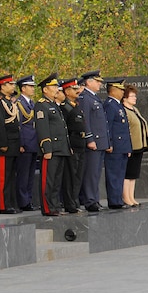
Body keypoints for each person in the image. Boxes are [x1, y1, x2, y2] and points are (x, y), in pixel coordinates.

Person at [33, 73, 69, 216]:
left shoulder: (54, 105)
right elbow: (42, 129)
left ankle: (55, 206)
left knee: (56, 181)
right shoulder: (41, 106)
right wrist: (46, 148)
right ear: (45, 89)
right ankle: (48, 208)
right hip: (51, 149)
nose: (56, 89)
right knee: (48, 180)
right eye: (53, 86)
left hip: (60, 149)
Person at [77, 70, 108, 212]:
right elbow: (85, 121)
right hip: (93, 142)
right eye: (97, 81)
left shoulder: (94, 98)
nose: (99, 84)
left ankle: (95, 199)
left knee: (96, 173)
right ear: (88, 82)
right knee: (90, 173)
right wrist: (89, 138)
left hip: (100, 142)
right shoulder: (84, 98)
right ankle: (90, 200)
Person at [0, 74, 20, 214]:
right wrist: (3, 143)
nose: (13, 86)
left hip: (14, 144)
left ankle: (12, 203)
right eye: (10, 84)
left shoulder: (10, 102)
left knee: (12, 177)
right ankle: (4, 206)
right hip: (5, 145)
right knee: (4, 177)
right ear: (2, 86)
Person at [58, 77, 87, 214]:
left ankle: (75, 201)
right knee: (70, 176)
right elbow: (64, 129)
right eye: (74, 89)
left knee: (78, 175)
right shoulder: (64, 108)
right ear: (67, 91)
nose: (77, 91)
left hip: (80, 143)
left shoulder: (76, 106)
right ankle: (70, 203)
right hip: (72, 144)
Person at [102, 78, 132, 209]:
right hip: (115, 146)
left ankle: (118, 199)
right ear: (113, 90)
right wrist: (109, 143)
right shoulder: (109, 104)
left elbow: (124, 128)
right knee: (114, 174)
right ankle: (114, 201)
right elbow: (107, 126)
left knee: (120, 174)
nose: (122, 92)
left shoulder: (118, 104)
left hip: (122, 146)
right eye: (120, 90)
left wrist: (128, 147)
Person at [121, 84, 148, 208]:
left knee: (133, 174)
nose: (135, 98)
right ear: (125, 98)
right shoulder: (124, 111)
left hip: (139, 146)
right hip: (131, 146)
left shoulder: (134, 109)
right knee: (128, 174)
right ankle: (126, 197)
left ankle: (131, 197)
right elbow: (125, 130)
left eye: (135, 96)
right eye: (132, 96)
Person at [14, 75, 38, 210]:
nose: (32, 89)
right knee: (23, 175)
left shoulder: (31, 103)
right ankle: (23, 202)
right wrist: (21, 144)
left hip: (33, 143)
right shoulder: (19, 104)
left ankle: (28, 200)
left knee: (30, 175)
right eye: (30, 86)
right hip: (26, 143)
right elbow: (19, 126)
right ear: (23, 88)